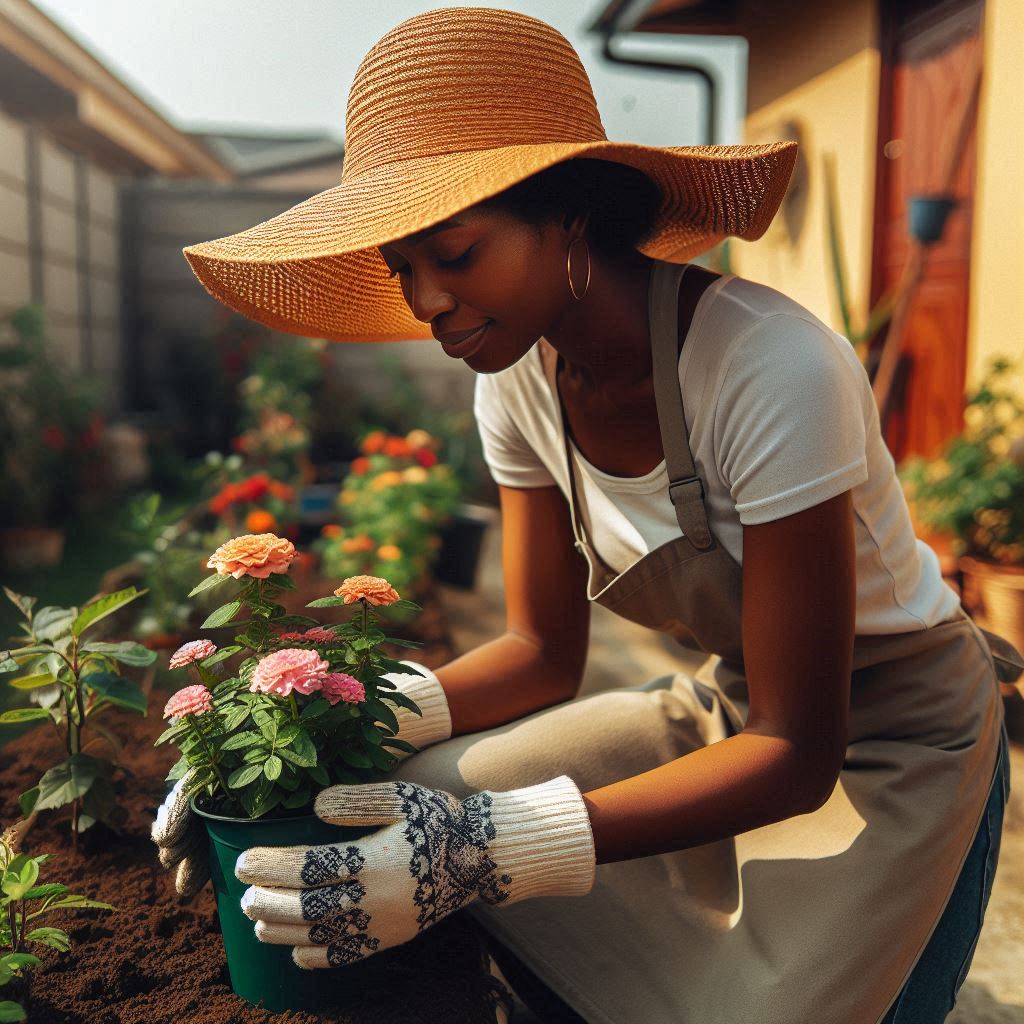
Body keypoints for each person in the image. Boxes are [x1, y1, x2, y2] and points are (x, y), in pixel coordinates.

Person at [155, 8, 1020, 1023]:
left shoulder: (765, 367)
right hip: (735, 706)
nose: (426, 300)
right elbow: (536, 650)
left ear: (567, 213)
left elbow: (799, 747)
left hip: (887, 740)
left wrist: (483, 850)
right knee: (413, 789)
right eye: (401, 268)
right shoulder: (515, 381)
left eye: (455, 251)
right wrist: (325, 723)